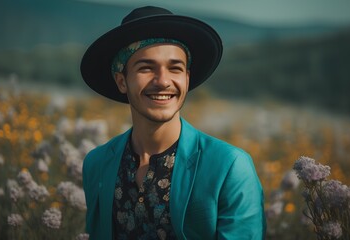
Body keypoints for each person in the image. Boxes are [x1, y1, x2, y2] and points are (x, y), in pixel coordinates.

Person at [81, 6, 266, 240]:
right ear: (121, 81)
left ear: (187, 79)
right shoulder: (97, 164)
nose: (163, 81)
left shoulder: (230, 167)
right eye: (146, 68)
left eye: (175, 68)